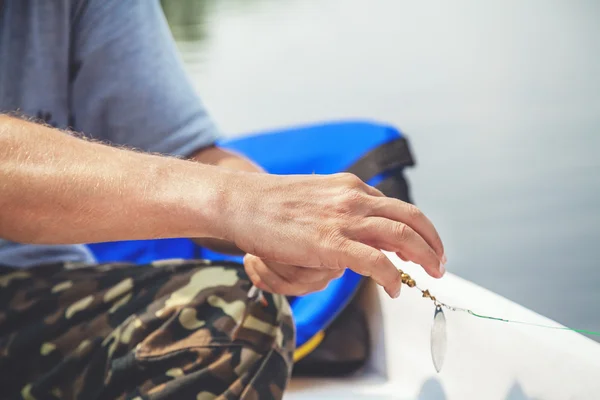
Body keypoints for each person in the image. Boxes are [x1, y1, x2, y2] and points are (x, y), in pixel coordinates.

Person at [0, 1, 446, 399]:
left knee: (235, 319)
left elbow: (189, 155)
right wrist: (239, 204)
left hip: (31, 296)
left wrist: (280, 220)